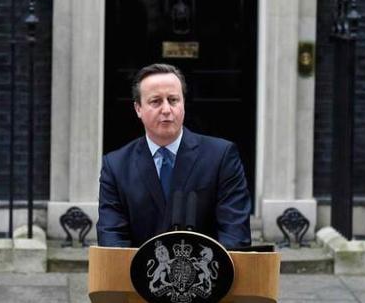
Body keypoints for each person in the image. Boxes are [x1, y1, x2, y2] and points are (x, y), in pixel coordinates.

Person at [97, 63, 252, 249]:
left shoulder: (221, 157)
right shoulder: (116, 166)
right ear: (138, 108)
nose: (166, 109)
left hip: (207, 273)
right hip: (140, 274)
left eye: (173, 100)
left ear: (183, 104)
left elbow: (235, 234)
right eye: (155, 101)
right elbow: (112, 238)